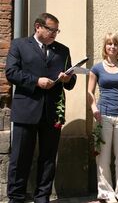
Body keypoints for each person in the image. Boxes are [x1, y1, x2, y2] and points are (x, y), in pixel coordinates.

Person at [5, 12, 77, 203]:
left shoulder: (63, 50)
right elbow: (11, 73)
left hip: (52, 112)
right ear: (38, 27)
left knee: (48, 158)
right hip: (26, 109)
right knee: (20, 158)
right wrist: (36, 81)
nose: (55, 33)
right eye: (51, 29)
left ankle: (42, 196)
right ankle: (16, 197)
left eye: (57, 30)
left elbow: (71, 82)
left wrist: (69, 78)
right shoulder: (19, 45)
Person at [88, 33, 118, 203]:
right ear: (105, 47)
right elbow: (90, 92)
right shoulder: (97, 68)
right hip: (103, 116)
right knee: (103, 157)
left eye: (115, 44)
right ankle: (105, 192)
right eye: (109, 44)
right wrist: (94, 108)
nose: (112, 47)